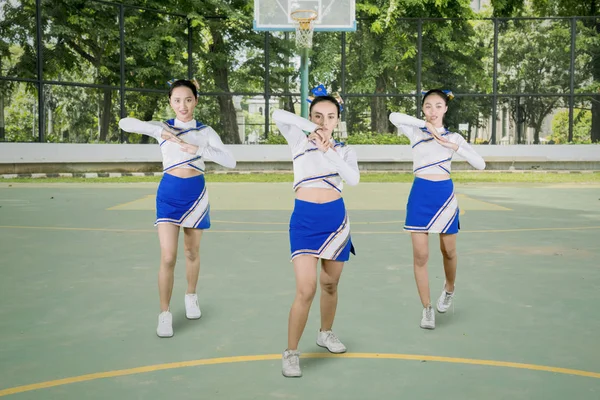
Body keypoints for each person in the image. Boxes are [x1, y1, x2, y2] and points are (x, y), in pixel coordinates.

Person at [118, 79, 236, 338]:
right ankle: (164, 313)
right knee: (168, 256)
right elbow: (124, 122)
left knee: (192, 252)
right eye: (177, 100)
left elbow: (231, 160)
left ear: (196, 100)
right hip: (169, 195)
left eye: (188, 99)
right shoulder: (162, 127)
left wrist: (200, 149)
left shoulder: (205, 131)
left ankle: (191, 296)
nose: (183, 105)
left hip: (196, 196)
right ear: (170, 102)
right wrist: (161, 133)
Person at [272, 87, 360, 378]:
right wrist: (312, 129)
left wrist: (327, 149)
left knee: (330, 285)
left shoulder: (345, 150)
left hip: (336, 222)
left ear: (338, 120)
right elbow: (278, 115)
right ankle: (291, 352)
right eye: (318, 116)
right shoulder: (297, 140)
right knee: (306, 288)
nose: (324, 121)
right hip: (305, 222)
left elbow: (353, 179)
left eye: (330, 117)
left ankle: (325, 333)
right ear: (308, 117)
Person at [389, 89, 485, 330]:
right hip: (420, 195)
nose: (433, 111)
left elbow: (480, 164)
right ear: (423, 109)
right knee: (420, 256)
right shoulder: (415, 131)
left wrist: (453, 147)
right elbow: (393, 116)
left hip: (444, 196)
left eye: (438, 106)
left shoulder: (455, 137)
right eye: (428, 106)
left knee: (449, 251)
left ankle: (449, 289)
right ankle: (427, 308)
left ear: (446, 109)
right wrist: (425, 125)